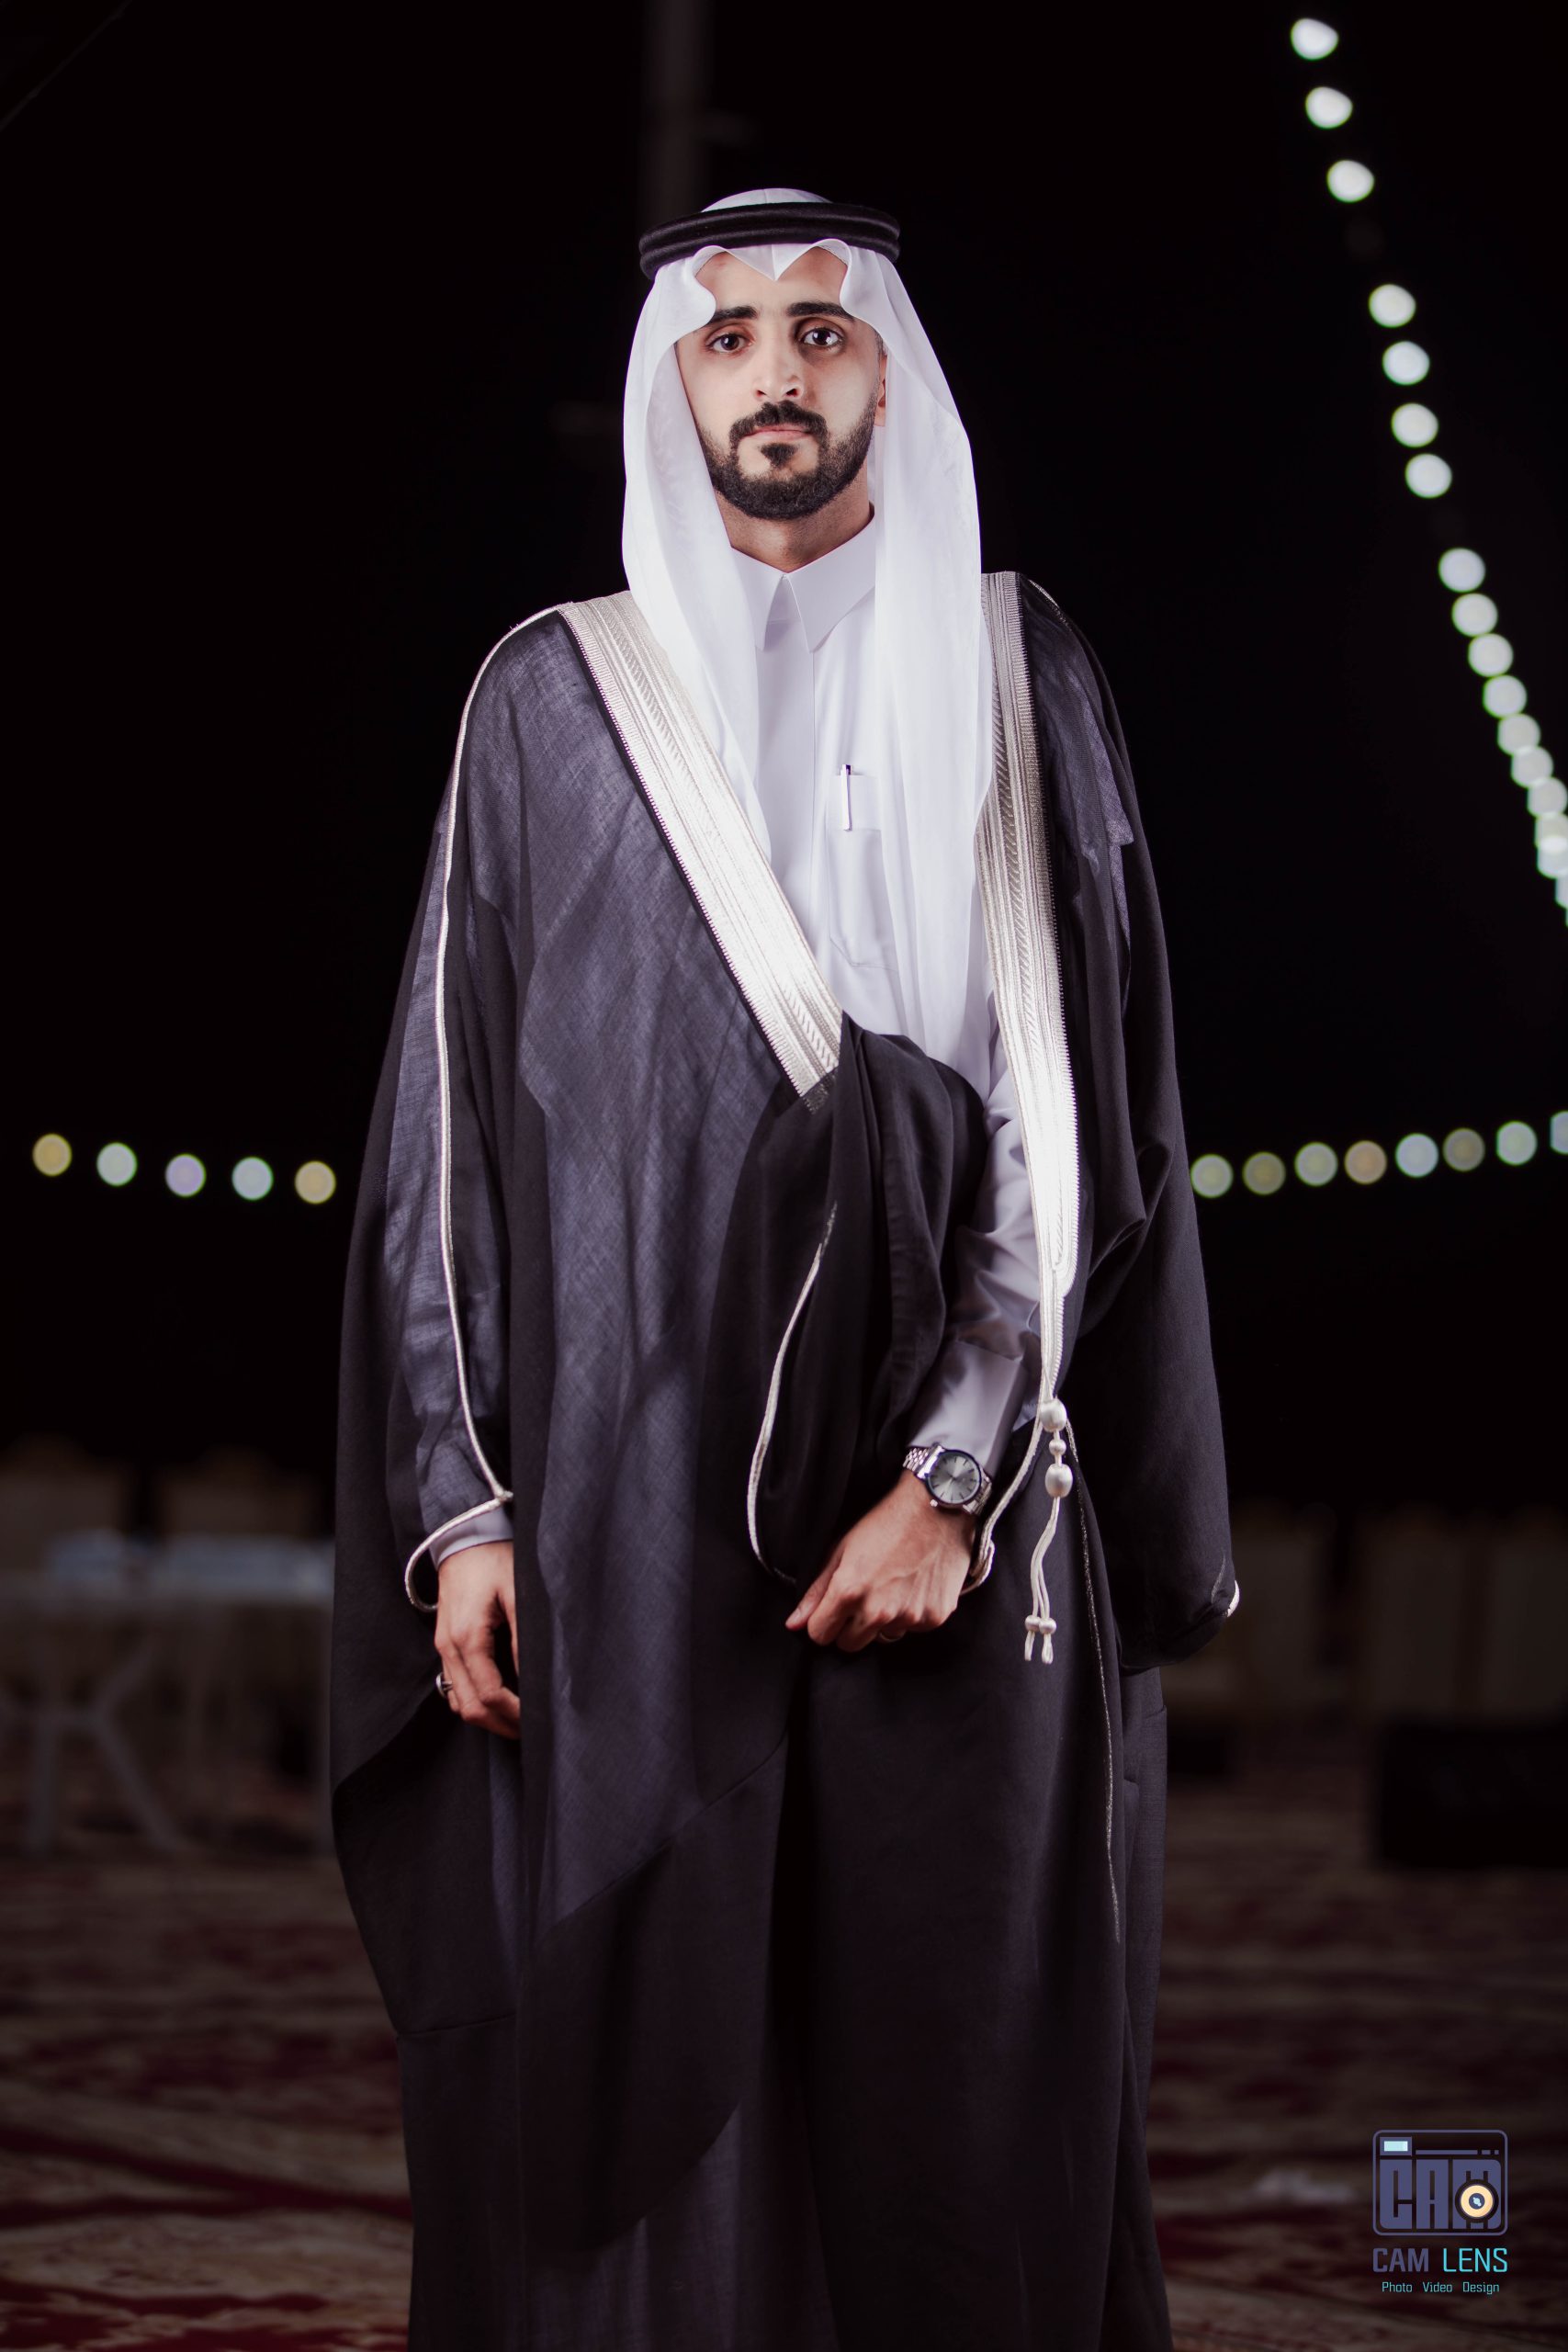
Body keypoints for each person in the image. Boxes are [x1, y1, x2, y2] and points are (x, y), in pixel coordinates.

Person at [331, 187, 1239, 2352]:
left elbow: (1064, 1116)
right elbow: (444, 1131)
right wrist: (467, 1509)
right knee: (650, 2046)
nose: (772, 375)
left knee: (948, 2067)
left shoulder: (1016, 669)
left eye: (820, 335)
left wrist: (948, 1480)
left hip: (949, 1514)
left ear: (887, 377)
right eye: (726, 336)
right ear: (673, 381)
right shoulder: (551, 697)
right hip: (628, 1516)